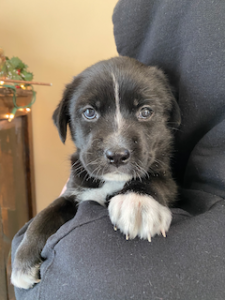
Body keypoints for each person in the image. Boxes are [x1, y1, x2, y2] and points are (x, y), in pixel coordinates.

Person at [12, 0, 225, 299]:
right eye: (89, 113)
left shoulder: (156, 168)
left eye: (144, 112)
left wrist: (143, 193)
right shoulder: (82, 173)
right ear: (66, 122)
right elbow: (65, 204)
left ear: (170, 118)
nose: (117, 145)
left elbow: (167, 185)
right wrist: (29, 246)